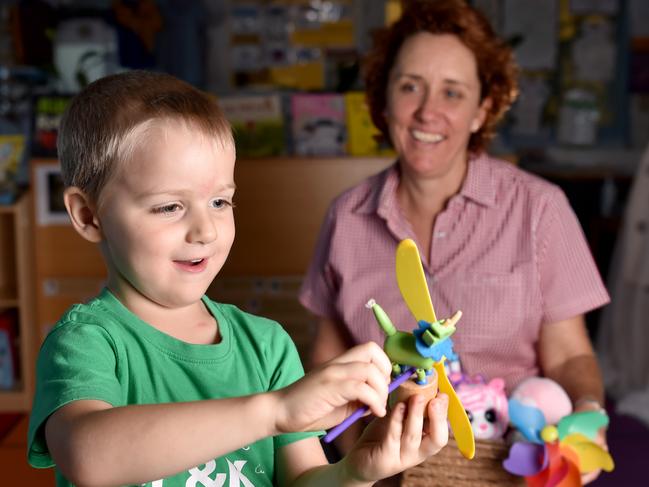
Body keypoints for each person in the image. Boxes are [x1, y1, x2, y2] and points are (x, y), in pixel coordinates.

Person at [27, 70, 450, 487]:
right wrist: (273, 412)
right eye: (169, 206)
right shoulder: (87, 342)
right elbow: (89, 458)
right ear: (87, 214)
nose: (205, 231)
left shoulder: (265, 345)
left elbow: (302, 481)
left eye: (219, 201)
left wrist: (354, 474)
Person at [299, 0, 609, 478]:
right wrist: (348, 465)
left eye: (452, 92)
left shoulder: (540, 209)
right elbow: (327, 357)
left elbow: (569, 354)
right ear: (383, 100)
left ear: (483, 109)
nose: (428, 112)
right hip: (385, 467)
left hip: (509, 466)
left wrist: (588, 416)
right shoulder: (347, 216)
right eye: (409, 87)